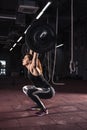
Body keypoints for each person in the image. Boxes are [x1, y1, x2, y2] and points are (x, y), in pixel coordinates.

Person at [22, 49, 55, 116]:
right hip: (41, 89)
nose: (23, 59)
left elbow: (35, 56)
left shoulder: (34, 67)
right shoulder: (29, 68)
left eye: (25, 58)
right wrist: (31, 45)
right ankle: (38, 105)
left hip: (48, 91)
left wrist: (36, 46)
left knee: (29, 91)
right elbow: (31, 52)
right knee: (25, 88)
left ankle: (44, 110)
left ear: (30, 61)